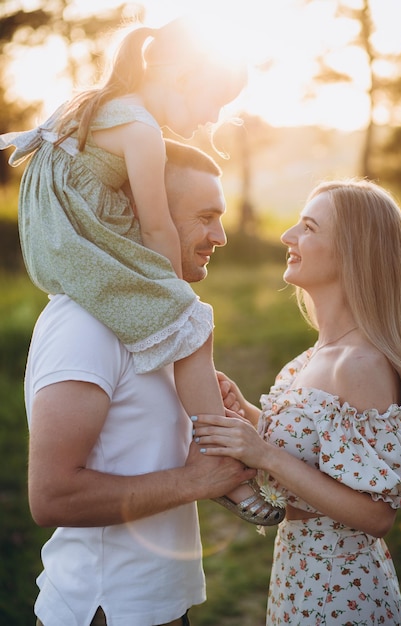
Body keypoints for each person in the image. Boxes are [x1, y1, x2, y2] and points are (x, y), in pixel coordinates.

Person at [0, 17, 279, 522]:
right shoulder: (142, 129)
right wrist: (176, 299)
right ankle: (218, 455)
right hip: (83, 241)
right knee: (190, 325)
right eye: (211, 102)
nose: (208, 119)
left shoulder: (95, 101)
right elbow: (156, 229)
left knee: (178, 325)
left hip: (55, 234)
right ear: (181, 79)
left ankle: (207, 435)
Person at [25, 139, 259, 626]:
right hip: (104, 609)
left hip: (160, 605)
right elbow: (52, 495)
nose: (220, 235)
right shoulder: (85, 324)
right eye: (204, 216)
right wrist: (195, 480)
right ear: (147, 216)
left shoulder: (155, 324)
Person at [192, 179, 401, 625]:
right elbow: (318, 452)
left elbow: (375, 515)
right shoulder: (319, 353)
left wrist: (262, 453)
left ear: (353, 252)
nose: (287, 236)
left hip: (339, 589)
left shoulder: (360, 363)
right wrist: (249, 417)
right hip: (300, 576)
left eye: (309, 227)